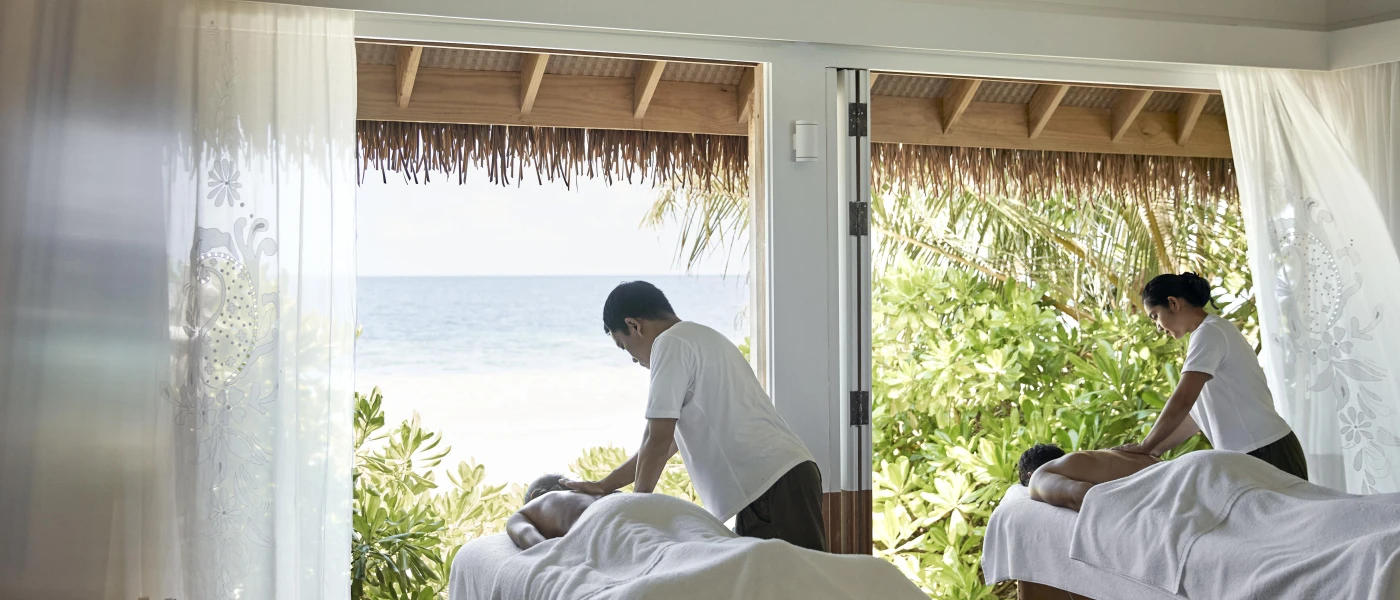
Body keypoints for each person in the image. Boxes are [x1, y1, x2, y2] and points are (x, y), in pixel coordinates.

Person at [563, 281, 827, 551]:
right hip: (777, 480)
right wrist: (606, 484)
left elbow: (658, 440)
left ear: (634, 325)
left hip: (770, 485)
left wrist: (636, 510)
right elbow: (659, 444)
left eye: (624, 346)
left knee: (797, 587)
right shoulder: (702, 337)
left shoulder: (669, 343)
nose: (634, 360)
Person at [1116, 272, 1308, 480]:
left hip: (1267, 450)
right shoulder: (1208, 334)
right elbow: (1197, 416)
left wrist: (1146, 445)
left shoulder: (1210, 333)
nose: (1158, 327)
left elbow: (1182, 400)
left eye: (1155, 316)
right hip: (1255, 452)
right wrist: (1154, 450)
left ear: (1172, 303)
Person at [1017, 444, 1160, 511]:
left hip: (1159, 492)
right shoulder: (1098, 455)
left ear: (1031, 475)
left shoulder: (1038, 478)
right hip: (1170, 471)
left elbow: (1082, 495)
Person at [505, 474, 610, 550]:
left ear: (534, 495)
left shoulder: (527, 512)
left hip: (600, 534)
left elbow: (531, 539)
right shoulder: (595, 493)